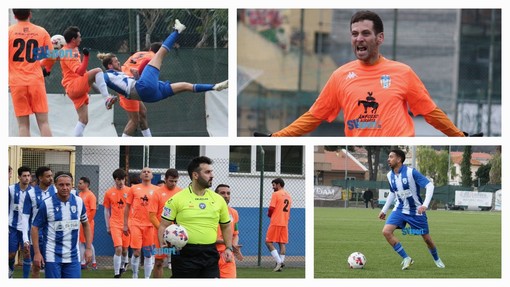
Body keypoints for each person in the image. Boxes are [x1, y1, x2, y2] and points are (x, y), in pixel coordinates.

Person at [258, 10, 467, 137]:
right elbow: (313, 116)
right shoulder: (340, 76)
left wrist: (459, 137)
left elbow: (431, 112)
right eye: (354, 34)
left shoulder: (403, 72)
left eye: (366, 33)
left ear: (380, 38)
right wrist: (277, 137)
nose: (359, 38)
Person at [97, 19, 228, 105]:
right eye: (115, 62)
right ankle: (177, 31)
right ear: (109, 66)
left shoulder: (120, 74)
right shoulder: (106, 75)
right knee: (161, 53)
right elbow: (100, 81)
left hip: (151, 96)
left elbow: (129, 80)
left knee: (185, 86)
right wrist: (106, 98)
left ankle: (214, 87)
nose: (119, 63)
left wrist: (137, 75)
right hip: (144, 89)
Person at [157, 156, 233, 278]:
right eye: (207, 172)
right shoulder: (176, 199)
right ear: (195, 175)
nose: (212, 175)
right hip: (184, 254)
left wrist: (229, 248)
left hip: (210, 254)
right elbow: (163, 225)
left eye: (211, 172)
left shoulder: (218, 200)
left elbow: (226, 226)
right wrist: (163, 245)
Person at [378, 149, 445, 270]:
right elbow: (393, 193)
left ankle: (437, 259)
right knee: (386, 232)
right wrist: (384, 210)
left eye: (391, 157)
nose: (388, 159)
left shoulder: (411, 172)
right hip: (399, 209)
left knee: (427, 239)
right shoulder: (389, 175)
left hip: (416, 211)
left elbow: (430, 185)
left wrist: (424, 205)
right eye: (388, 157)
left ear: (399, 159)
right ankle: (406, 258)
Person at [31, 171, 92, 278]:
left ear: (72, 185)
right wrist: (37, 252)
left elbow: (86, 224)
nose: (65, 188)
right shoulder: (46, 204)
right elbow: (35, 227)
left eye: (68, 185)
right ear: (55, 186)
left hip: (73, 255)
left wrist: (88, 248)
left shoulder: (79, 202)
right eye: (61, 185)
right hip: (52, 255)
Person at [58, 25, 116, 137]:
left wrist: (96, 87)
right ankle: (106, 99)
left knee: (83, 120)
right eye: (79, 37)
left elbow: (83, 72)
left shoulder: (71, 50)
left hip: (73, 88)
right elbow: (79, 72)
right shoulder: (68, 52)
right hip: (74, 85)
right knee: (98, 70)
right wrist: (86, 57)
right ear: (73, 39)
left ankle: (76, 144)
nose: (81, 39)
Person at [8, 9, 52, 136]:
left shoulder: (8, 32)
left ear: (15, 16)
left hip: (17, 83)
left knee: (22, 125)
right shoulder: (41, 31)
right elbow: (50, 56)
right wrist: (42, 65)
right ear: (30, 14)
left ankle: (24, 155)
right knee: (44, 123)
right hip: (36, 81)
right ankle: (50, 150)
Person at [117, 43, 162, 137]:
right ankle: (121, 146)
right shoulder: (154, 58)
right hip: (129, 85)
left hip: (123, 80)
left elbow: (126, 66)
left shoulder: (139, 53)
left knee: (142, 113)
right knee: (134, 121)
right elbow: (143, 71)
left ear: (150, 48)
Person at [123, 167, 158, 278]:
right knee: (137, 252)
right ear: (140, 175)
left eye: (149, 172)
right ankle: (135, 275)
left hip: (150, 225)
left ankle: (147, 278)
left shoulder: (157, 190)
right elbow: (127, 207)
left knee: (148, 254)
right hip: (136, 224)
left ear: (152, 176)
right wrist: (125, 224)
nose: (146, 173)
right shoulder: (133, 189)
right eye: (144, 171)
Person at [21, 166, 55, 278]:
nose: (51, 178)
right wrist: (26, 239)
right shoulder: (30, 193)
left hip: (52, 236)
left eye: (51, 176)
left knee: (52, 267)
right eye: (48, 176)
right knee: (36, 266)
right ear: (40, 178)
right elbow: (25, 217)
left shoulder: (55, 191)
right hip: (36, 236)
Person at [148, 168, 181, 277]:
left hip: (177, 234)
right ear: (165, 179)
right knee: (159, 262)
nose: (173, 183)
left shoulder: (180, 192)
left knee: (178, 262)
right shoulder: (157, 193)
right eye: (171, 181)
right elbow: (152, 216)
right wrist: (164, 230)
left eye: (176, 181)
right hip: (160, 233)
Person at [103, 168, 131, 278]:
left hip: (127, 224)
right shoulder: (109, 192)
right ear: (115, 180)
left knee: (124, 249)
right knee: (118, 248)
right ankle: (116, 273)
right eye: (118, 179)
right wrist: (108, 226)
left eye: (122, 179)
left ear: (125, 179)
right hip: (114, 223)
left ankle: (124, 263)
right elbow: (106, 210)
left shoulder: (129, 191)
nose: (120, 182)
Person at [9, 166, 34, 278]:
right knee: (11, 254)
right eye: (24, 176)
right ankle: (10, 272)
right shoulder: (10, 189)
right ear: (19, 177)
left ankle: (25, 279)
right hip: (12, 227)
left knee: (27, 253)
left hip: (27, 228)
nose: (26, 178)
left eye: (28, 176)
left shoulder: (34, 192)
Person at [215, 184, 243, 278]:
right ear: (216, 195)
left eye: (228, 193)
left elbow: (235, 234)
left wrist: (233, 246)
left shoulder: (234, 213)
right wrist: (228, 243)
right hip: (211, 254)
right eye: (222, 193)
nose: (226, 195)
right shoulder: (208, 213)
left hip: (227, 254)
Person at [266, 178, 292, 272]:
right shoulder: (288, 195)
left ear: (279, 185)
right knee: (282, 243)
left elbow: (272, 207)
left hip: (276, 221)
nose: (273, 187)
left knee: (268, 242)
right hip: (285, 222)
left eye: (274, 185)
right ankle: (280, 265)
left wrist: (269, 214)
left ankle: (279, 262)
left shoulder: (276, 194)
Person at [77, 177, 97, 270]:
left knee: (88, 242)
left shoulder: (91, 195)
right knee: (80, 242)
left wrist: (87, 222)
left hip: (87, 223)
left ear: (86, 184)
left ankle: (93, 262)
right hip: (80, 223)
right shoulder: (79, 194)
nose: (79, 185)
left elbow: (93, 210)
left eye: (81, 183)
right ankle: (83, 262)